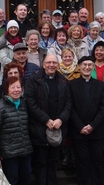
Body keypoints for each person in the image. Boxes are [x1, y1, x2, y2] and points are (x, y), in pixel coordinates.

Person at [24, 54, 71, 185]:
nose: (51, 65)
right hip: (39, 129)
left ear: (58, 65)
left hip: (57, 129)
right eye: (49, 62)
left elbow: (68, 103)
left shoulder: (63, 81)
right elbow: (30, 102)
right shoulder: (33, 80)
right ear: (43, 64)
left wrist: (61, 119)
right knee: (40, 164)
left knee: (53, 164)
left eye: (54, 63)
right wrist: (45, 120)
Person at [69, 56, 104, 185]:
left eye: (90, 65)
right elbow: (70, 107)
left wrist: (92, 125)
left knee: (97, 161)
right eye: (84, 65)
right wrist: (80, 126)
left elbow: (103, 108)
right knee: (82, 161)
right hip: (79, 131)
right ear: (79, 67)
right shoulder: (72, 85)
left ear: (93, 67)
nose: (87, 67)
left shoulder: (101, 85)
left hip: (96, 131)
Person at [0, 76, 33, 185]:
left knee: (26, 178)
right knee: (11, 180)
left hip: (25, 151)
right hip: (9, 153)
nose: (16, 90)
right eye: (13, 87)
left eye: (18, 87)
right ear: (7, 89)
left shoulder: (24, 103)